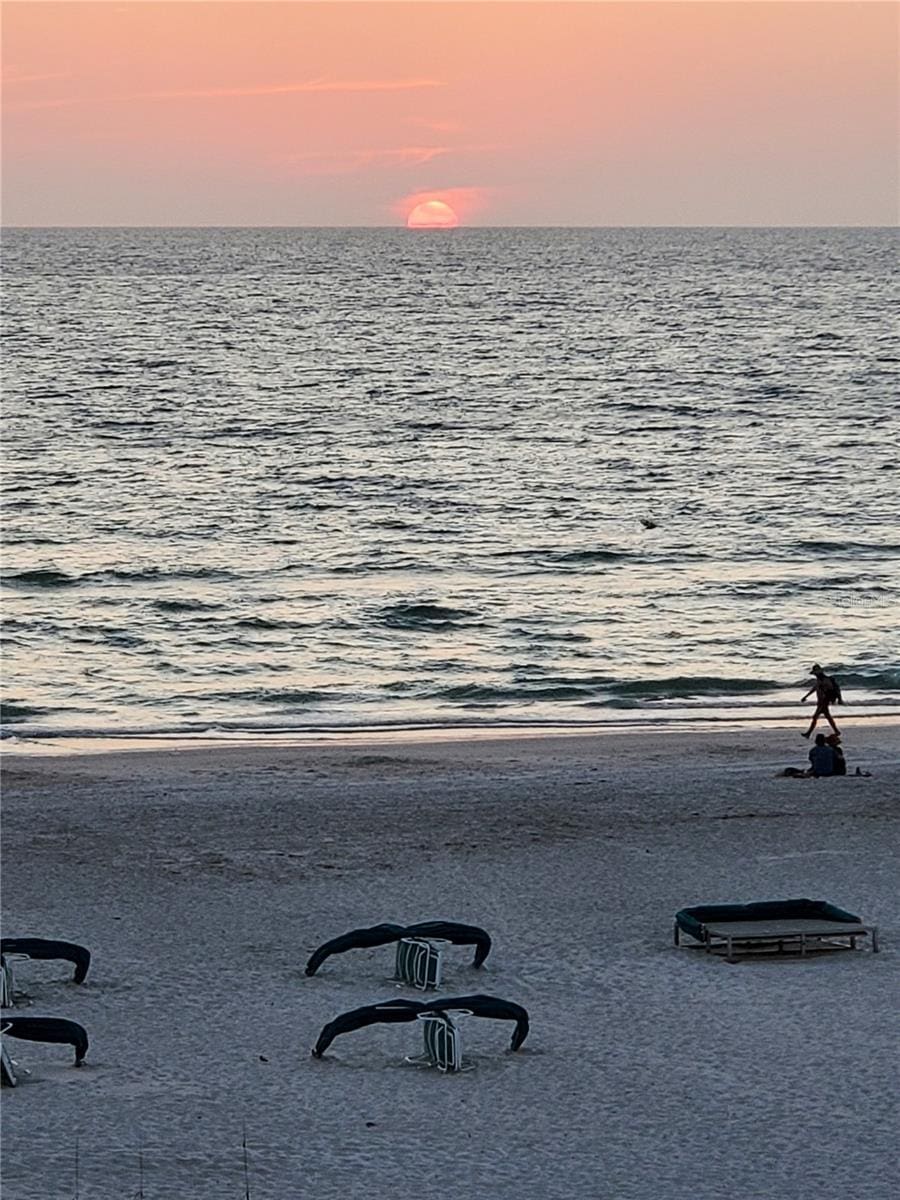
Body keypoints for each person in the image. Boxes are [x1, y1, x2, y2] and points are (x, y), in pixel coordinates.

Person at [801, 663, 842, 738]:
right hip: (821, 702)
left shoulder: (825, 680)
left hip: (824, 702)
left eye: (816, 673)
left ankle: (808, 733)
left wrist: (837, 699)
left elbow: (832, 690)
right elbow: (814, 689)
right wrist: (805, 696)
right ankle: (836, 731)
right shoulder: (819, 680)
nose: (815, 675)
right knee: (828, 717)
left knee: (815, 717)